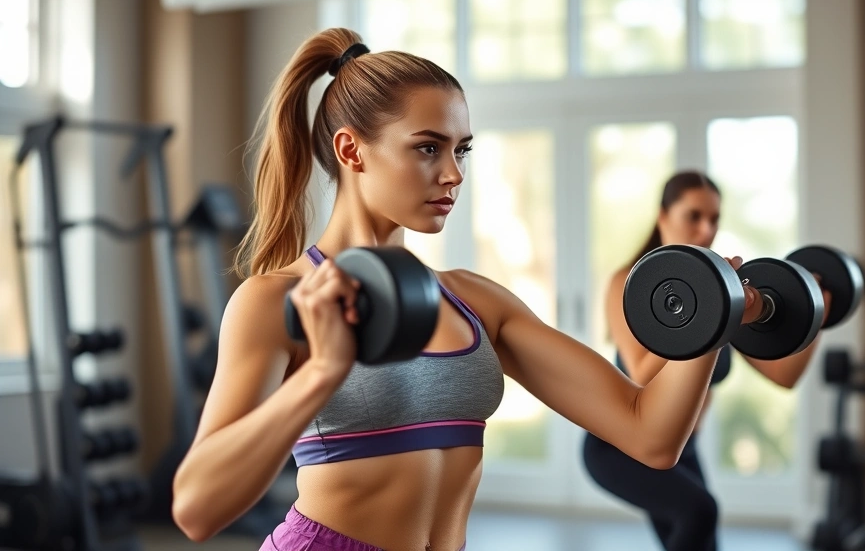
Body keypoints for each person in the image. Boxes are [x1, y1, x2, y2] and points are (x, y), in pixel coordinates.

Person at [169, 29, 765, 551]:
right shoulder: (277, 302)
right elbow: (196, 509)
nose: (453, 173)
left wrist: (714, 310)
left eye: (461, 150)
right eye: (428, 147)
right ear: (352, 150)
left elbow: (649, 434)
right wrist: (322, 372)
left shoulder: (475, 302)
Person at [582, 171, 833, 551]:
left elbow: (784, 375)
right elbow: (641, 372)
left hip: (681, 448)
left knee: (703, 539)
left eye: (714, 218)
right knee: (699, 512)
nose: (706, 229)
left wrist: (816, 310)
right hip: (621, 445)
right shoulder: (626, 283)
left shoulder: (726, 293)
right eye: (694, 216)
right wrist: (707, 311)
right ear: (663, 216)